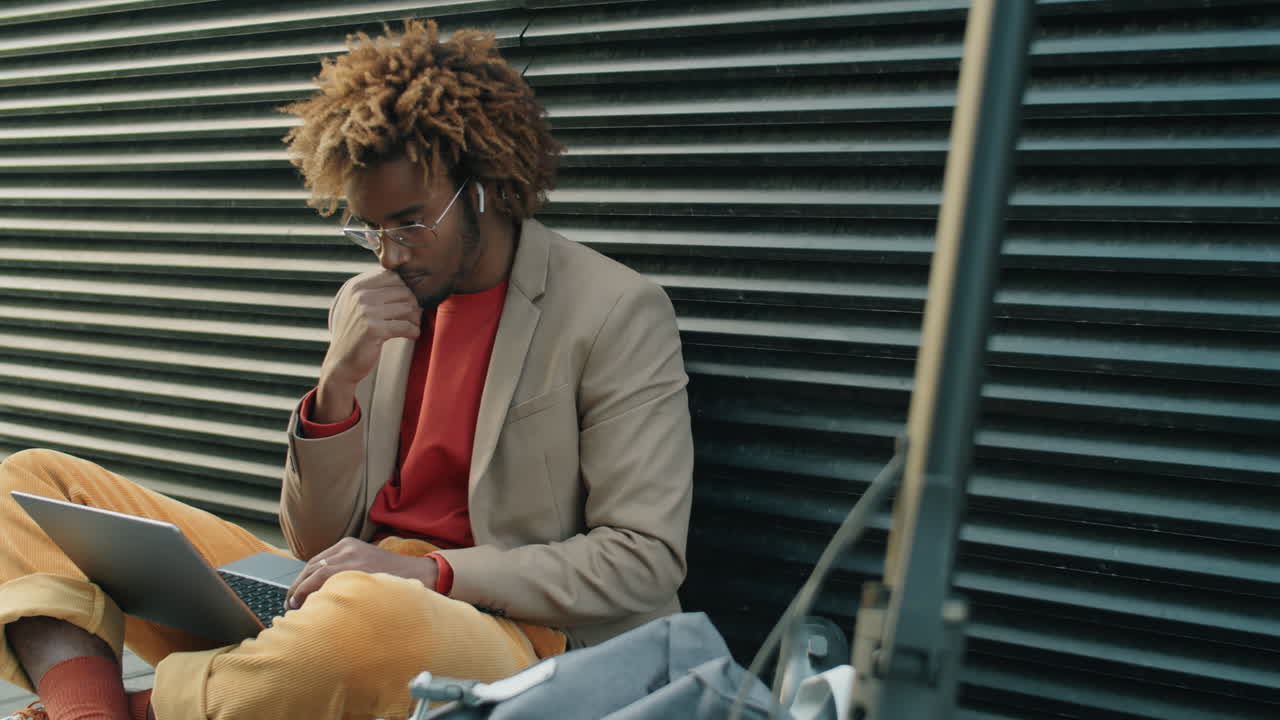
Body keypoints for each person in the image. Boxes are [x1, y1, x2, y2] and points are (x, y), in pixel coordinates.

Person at [0, 19, 693, 720]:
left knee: (363, 624)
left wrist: (430, 571)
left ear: (482, 185)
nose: (389, 254)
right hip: (344, 588)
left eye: (410, 223)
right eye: (370, 228)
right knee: (28, 484)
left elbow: (644, 557)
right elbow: (313, 543)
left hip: (509, 631)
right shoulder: (372, 306)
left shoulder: (614, 312)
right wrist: (336, 389)